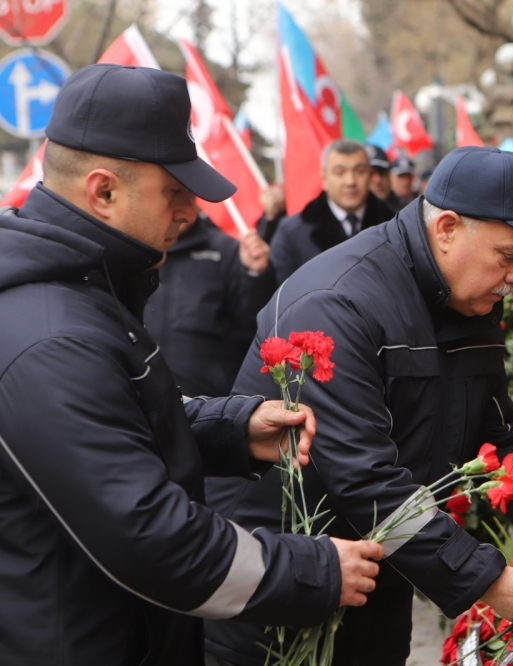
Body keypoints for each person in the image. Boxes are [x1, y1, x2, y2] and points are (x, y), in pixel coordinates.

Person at [0, 64, 383, 665]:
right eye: (174, 191)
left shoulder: (82, 290)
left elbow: (114, 418)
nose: (190, 210)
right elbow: (149, 537)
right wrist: (313, 569)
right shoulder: (53, 335)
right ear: (103, 192)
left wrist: (229, 428)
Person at [204, 147, 513, 665]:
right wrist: (490, 581)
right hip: (281, 588)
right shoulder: (338, 302)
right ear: (448, 229)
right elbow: (363, 478)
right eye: (509, 256)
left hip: (378, 579)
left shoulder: (467, 298)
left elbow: (500, 438)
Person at [144, 211, 277, 397]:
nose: (180, 208)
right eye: (169, 196)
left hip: (206, 399)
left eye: (186, 196)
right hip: (139, 396)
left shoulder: (227, 250)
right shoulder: (134, 248)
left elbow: (251, 327)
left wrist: (256, 276)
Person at [269, 139, 396, 283]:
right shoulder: (291, 232)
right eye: (340, 172)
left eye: (359, 171)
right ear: (324, 179)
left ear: (370, 175)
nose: (350, 181)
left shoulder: (394, 226)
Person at [364, 143, 402, 211]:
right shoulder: (350, 215)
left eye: (382, 172)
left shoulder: (407, 212)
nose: (378, 180)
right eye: (370, 173)